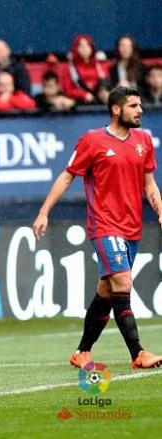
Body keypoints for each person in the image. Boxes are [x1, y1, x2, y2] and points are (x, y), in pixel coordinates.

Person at [33, 86, 162, 370]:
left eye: (139, 105)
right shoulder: (92, 140)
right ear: (116, 110)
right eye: (133, 106)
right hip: (104, 225)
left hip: (132, 228)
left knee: (107, 290)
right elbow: (67, 177)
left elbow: (149, 184)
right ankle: (138, 353)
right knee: (123, 282)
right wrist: (44, 212)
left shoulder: (143, 140)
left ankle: (82, 352)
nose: (140, 110)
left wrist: (160, 211)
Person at [61, 34, 109, 105]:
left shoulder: (100, 65)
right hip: (79, 103)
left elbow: (108, 83)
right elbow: (67, 90)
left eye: (87, 45)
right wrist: (83, 95)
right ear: (75, 48)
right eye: (80, 45)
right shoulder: (69, 68)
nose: (84, 48)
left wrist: (104, 92)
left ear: (91, 48)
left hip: (101, 102)